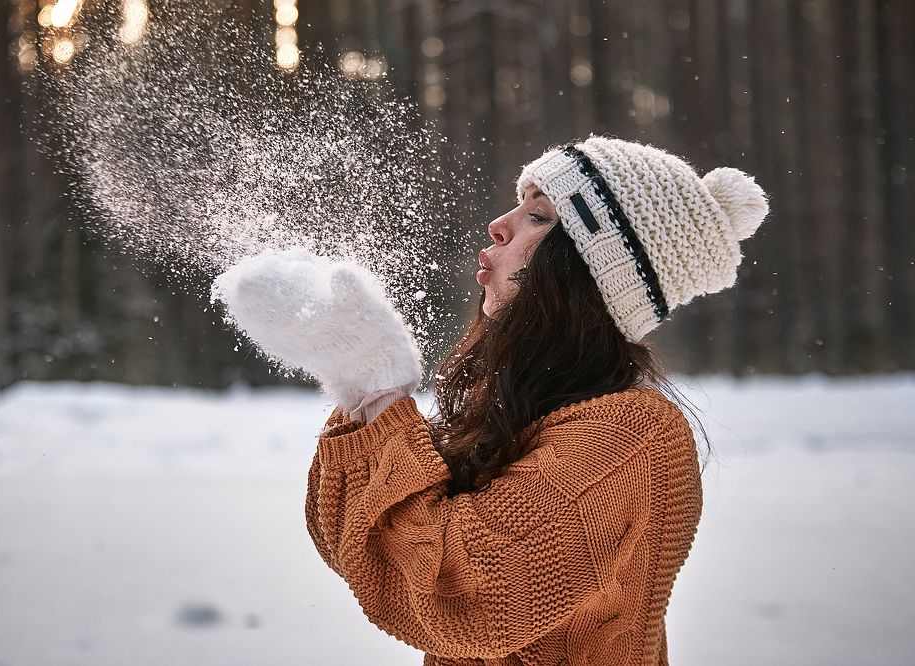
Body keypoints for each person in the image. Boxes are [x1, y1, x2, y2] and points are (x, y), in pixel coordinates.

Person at [211, 134, 769, 665]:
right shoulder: (528, 411)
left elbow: (465, 594)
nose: (499, 226)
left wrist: (380, 397)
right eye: (518, 204)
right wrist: (359, 386)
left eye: (540, 216)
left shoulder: (627, 435)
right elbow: (365, 551)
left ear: (594, 275)